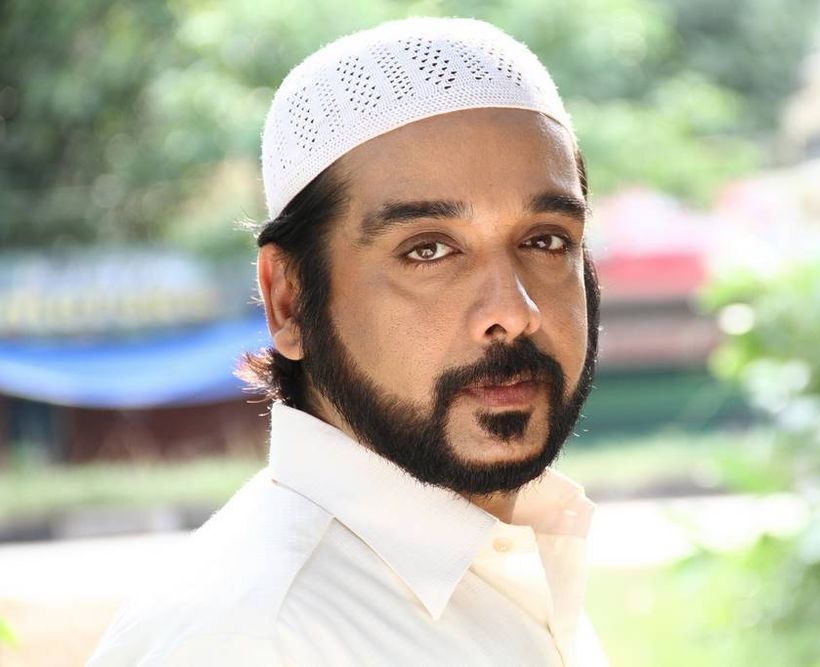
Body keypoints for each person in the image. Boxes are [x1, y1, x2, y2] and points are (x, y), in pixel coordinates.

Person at [87, 17, 606, 666]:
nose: (513, 311)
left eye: (546, 240)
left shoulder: (506, 566)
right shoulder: (248, 640)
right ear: (289, 299)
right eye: (428, 250)